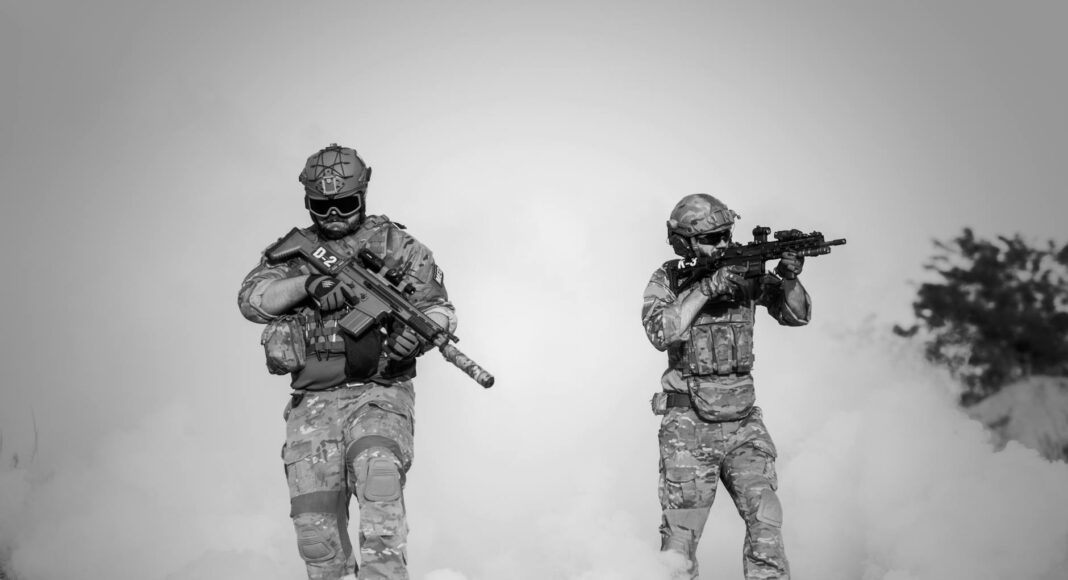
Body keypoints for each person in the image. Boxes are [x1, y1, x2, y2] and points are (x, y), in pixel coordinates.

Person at [238, 144, 457, 580]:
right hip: (312, 403)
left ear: (363, 194)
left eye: (345, 203)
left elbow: (439, 308)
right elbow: (253, 299)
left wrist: (418, 334)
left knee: (379, 480)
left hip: (378, 392)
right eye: (323, 206)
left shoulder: (398, 246)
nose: (335, 214)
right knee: (315, 537)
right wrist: (309, 284)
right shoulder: (293, 251)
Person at [641, 193, 810, 580]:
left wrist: (789, 277)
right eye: (712, 239)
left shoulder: (744, 272)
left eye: (726, 235)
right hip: (689, 426)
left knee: (766, 520)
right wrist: (706, 289)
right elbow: (661, 331)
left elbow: (797, 316)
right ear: (685, 243)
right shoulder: (668, 278)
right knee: (679, 543)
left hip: (744, 423)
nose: (723, 245)